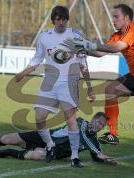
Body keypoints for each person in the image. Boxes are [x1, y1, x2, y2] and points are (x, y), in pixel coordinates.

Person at [63, 4, 134, 168]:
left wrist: (87, 43)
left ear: (127, 18)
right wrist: (80, 48)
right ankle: (113, 133)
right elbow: (100, 53)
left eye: (116, 17)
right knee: (110, 89)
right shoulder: (118, 34)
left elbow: (115, 48)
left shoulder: (133, 32)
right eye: (112, 17)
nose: (113, 20)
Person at [15, 5, 95, 168]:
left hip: (69, 82)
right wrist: (23, 73)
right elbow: (37, 60)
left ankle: (74, 158)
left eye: (63, 19)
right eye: (58, 19)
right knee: (39, 117)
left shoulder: (75, 36)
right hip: (50, 82)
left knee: (71, 120)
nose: (61, 22)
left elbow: (83, 63)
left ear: (67, 20)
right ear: (53, 20)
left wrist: (89, 87)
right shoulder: (44, 37)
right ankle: (50, 144)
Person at [0, 112, 117, 166]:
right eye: (98, 123)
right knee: (8, 138)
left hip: (53, 151)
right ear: (93, 120)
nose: (99, 127)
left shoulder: (94, 140)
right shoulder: (81, 123)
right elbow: (85, 140)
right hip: (46, 137)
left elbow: (96, 154)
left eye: (102, 126)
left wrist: (107, 159)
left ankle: (10, 152)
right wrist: (99, 153)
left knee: (38, 155)